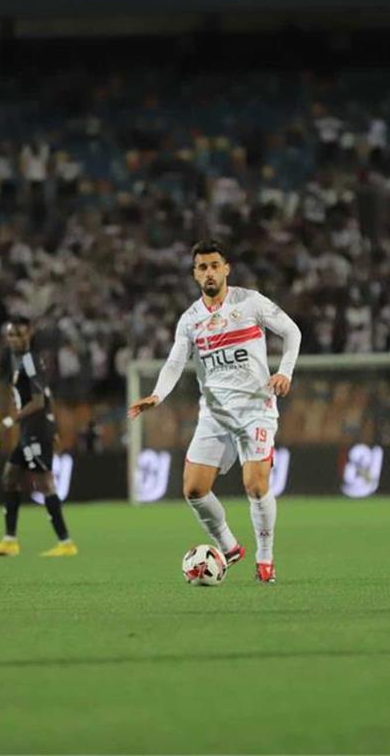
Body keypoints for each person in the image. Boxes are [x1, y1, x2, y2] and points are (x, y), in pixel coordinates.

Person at [127, 239, 302, 583]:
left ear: (226, 269)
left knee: (255, 485)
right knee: (193, 489)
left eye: (214, 266)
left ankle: (265, 560)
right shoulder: (190, 320)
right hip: (215, 414)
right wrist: (157, 395)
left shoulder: (250, 302)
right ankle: (229, 547)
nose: (209, 272)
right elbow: (175, 362)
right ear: (195, 274)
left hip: (255, 408)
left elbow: (291, 332)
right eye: (202, 267)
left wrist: (285, 372)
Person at [0, 317, 77, 557]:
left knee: (44, 483)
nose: (14, 339)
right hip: (30, 430)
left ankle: (66, 543)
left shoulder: (30, 361)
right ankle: (9, 541)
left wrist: (7, 423)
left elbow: (38, 401)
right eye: (11, 335)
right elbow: (46, 395)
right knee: (10, 476)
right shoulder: (19, 360)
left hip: (36, 430)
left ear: (29, 334)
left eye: (19, 335)